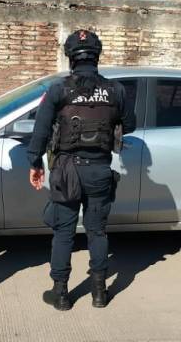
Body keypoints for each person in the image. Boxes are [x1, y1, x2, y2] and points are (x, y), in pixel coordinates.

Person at [27, 29, 136, 311]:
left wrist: (34, 162)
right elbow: (131, 124)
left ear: (70, 58)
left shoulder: (58, 90)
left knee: (63, 233)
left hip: (67, 171)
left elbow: (39, 132)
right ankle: (100, 294)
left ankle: (61, 294)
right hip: (100, 170)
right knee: (97, 232)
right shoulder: (116, 90)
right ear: (97, 56)